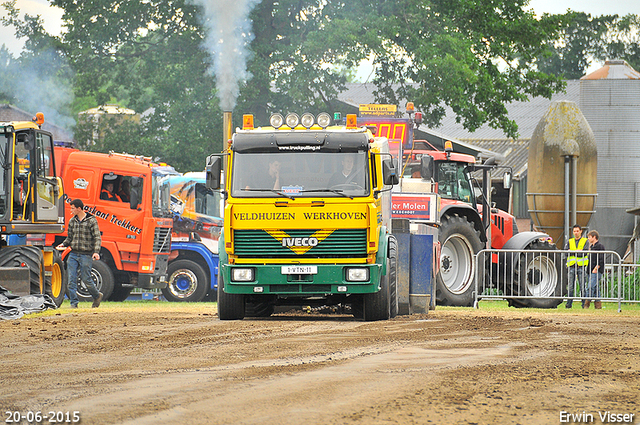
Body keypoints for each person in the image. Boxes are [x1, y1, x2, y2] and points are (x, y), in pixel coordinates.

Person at [56, 199, 103, 308]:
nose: (71, 210)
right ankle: (74, 304)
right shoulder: (72, 221)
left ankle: (97, 296)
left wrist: (96, 252)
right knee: (71, 280)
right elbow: (70, 238)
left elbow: (97, 237)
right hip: (73, 254)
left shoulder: (91, 220)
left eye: (73, 208)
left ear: (79, 208)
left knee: (86, 279)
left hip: (86, 254)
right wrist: (63, 244)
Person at [564, 224, 589, 308]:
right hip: (571, 266)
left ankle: (584, 304)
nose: (576, 233)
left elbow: (584, 253)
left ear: (581, 231)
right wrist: (578, 251)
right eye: (574, 231)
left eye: (577, 231)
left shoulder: (585, 241)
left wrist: (572, 251)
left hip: (581, 266)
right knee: (570, 287)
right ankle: (569, 304)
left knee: (582, 287)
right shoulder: (570, 241)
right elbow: (565, 252)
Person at [586, 230, 605, 309]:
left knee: (590, 287)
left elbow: (601, 258)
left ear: (594, 237)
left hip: (596, 270)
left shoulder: (600, 246)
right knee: (596, 288)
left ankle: (586, 304)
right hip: (590, 270)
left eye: (589, 237)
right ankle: (598, 306)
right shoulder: (592, 247)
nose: (588, 239)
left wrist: (597, 267)